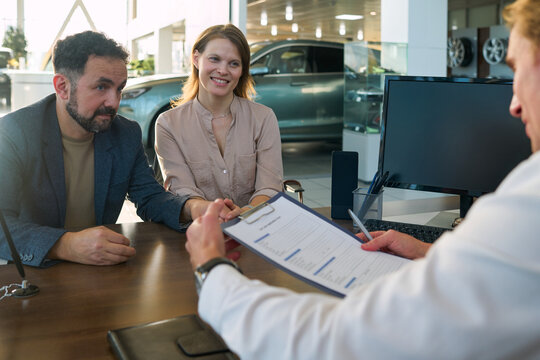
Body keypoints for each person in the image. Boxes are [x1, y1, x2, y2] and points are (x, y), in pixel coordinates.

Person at [184, 1, 540, 358]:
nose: (513, 105)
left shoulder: (528, 206)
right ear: (197, 59)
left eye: (519, 70)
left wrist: (213, 271)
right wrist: (425, 251)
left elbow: (347, 340)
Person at [0, 31, 233, 268]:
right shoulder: (13, 133)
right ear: (62, 87)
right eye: (101, 87)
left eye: (120, 88)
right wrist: (66, 245)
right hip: (34, 275)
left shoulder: (125, 133)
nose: (114, 102)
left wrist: (194, 207)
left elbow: (150, 197)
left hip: (104, 270)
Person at [155, 24, 283, 214]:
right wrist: (216, 213)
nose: (223, 70)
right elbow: (183, 192)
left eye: (234, 63)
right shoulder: (168, 124)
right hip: (197, 231)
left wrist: (243, 215)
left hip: (254, 225)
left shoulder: (263, 118)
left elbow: (269, 187)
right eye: (214, 59)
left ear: (242, 70)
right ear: (196, 59)